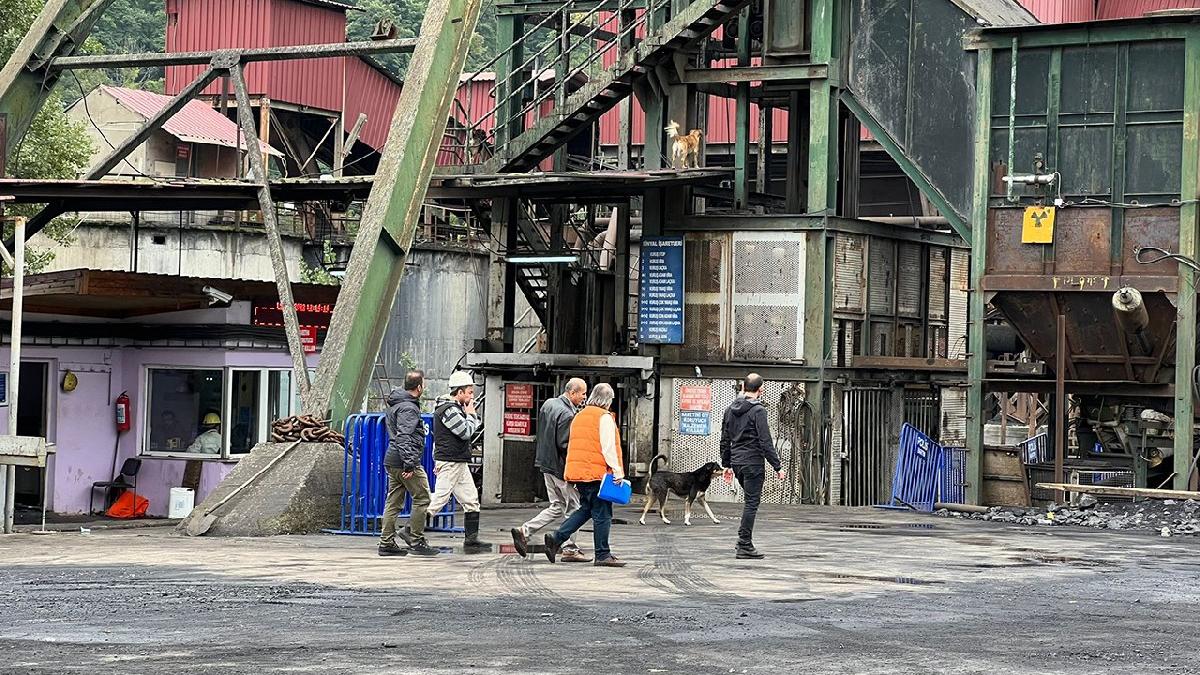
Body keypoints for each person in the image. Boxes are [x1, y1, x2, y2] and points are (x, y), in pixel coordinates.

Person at [543, 383, 627, 568]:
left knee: (587, 508)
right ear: (606, 400)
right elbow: (608, 447)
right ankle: (603, 554)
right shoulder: (603, 417)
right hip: (596, 473)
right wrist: (617, 471)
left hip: (579, 473)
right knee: (603, 513)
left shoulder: (579, 416)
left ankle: (557, 538)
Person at [510, 378, 590, 563]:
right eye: (583, 393)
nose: (584, 397)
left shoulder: (548, 404)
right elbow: (564, 444)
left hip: (546, 464)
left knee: (556, 506)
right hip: (560, 468)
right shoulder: (567, 414)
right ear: (572, 393)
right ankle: (569, 548)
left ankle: (524, 531)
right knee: (574, 508)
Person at [720, 373, 785, 560]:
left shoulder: (729, 409)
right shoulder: (758, 411)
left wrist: (727, 465)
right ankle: (744, 544)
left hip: (738, 463)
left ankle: (743, 541)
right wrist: (777, 466)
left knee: (749, 501)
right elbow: (765, 441)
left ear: (742, 387)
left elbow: (724, 439)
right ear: (761, 390)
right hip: (753, 463)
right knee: (751, 503)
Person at [426, 370, 491, 553]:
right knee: (439, 499)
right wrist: (472, 415)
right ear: (460, 392)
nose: (472, 396)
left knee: (471, 500)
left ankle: (471, 540)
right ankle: (411, 530)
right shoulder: (449, 410)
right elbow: (466, 432)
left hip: (457, 461)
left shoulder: (453, 408)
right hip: (451, 461)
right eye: (470, 392)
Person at [379, 370, 439, 557]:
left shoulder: (396, 404)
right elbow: (404, 437)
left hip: (392, 459)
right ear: (419, 387)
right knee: (422, 498)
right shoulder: (408, 408)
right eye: (424, 384)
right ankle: (416, 540)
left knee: (394, 502)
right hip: (404, 460)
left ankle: (386, 542)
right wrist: (410, 464)